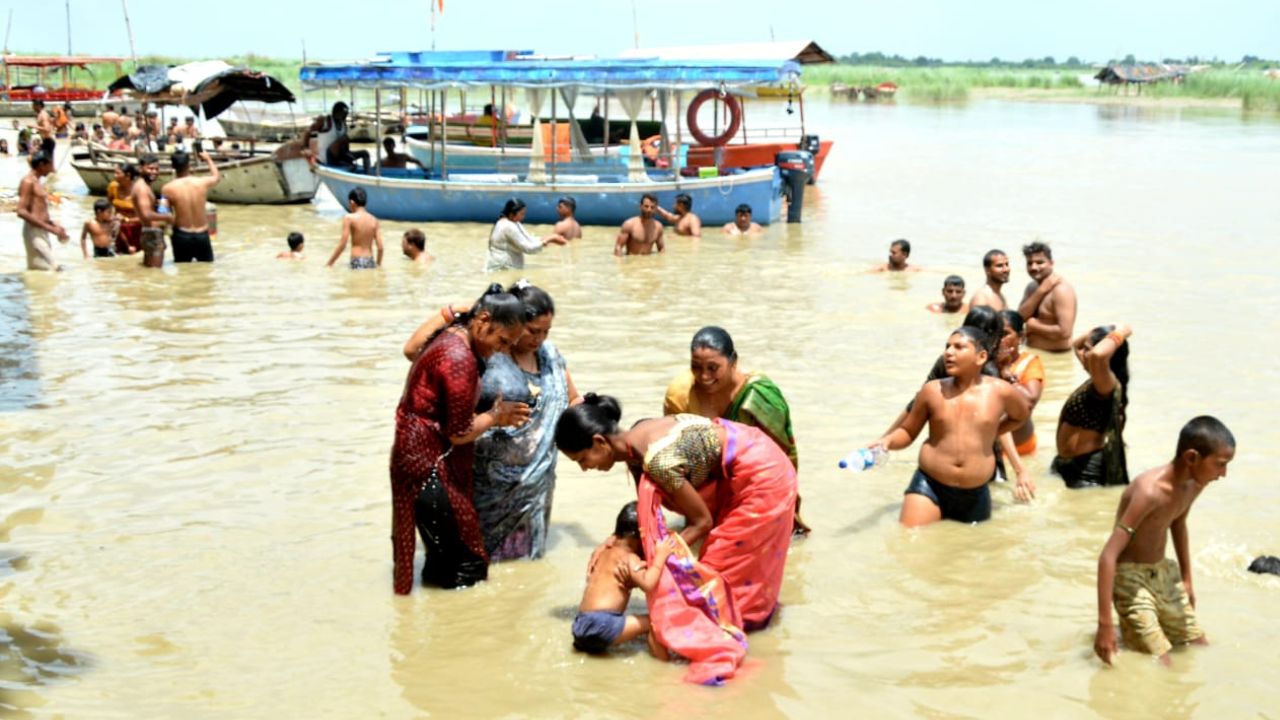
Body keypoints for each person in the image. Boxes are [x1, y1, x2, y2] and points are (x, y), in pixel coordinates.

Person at [555, 394, 797, 631]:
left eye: (582, 459)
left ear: (600, 442)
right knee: (719, 573)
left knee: (714, 578)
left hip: (762, 473)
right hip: (743, 459)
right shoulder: (635, 440)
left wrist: (659, 560)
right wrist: (615, 543)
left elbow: (702, 522)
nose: (585, 469)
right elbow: (646, 515)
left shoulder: (657, 459)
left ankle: (737, 640)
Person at [402, 283, 583, 559]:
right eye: (533, 330)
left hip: (536, 485)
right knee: (479, 561)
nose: (540, 339)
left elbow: (572, 399)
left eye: (546, 331)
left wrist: (591, 420)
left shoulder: (550, 357)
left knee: (525, 567)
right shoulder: (484, 353)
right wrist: (453, 312)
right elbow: (414, 350)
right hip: (485, 487)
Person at [389, 285, 530, 593]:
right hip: (429, 467)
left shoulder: (451, 335)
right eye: (502, 340)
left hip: (414, 458)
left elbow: (413, 350)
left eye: (511, 344)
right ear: (481, 320)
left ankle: (425, 630)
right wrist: (497, 415)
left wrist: (452, 311)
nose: (503, 349)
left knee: (442, 561)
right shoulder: (459, 358)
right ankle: (460, 633)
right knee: (469, 563)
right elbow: (460, 431)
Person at [1094, 416, 1236, 666]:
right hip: (1130, 579)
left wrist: (1187, 580)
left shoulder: (1195, 484)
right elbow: (1108, 556)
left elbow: (1178, 524)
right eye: (1220, 464)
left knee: (1198, 644)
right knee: (1161, 660)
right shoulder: (1149, 492)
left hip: (1164, 573)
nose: (1223, 474)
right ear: (1191, 457)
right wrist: (1104, 625)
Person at [870, 327, 1031, 527]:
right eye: (947, 347)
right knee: (910, 543)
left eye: (959, 347)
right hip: (930, 485)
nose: (948, 352)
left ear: (981, 357)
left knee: (971, 553)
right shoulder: (932, 391)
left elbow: (1021, 415)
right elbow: (908, 432)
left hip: (975, 492)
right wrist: (888, 441)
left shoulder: (1001, 392)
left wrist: (993, 432)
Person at [663, 326, 809, 534]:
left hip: (755, 484)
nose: (704, 376)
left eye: (713, 368)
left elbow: (779, 458)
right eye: (696, 367)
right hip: (706, 488)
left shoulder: (758, 395)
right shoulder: (679, 394)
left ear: (733, 361)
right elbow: (675, 451)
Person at [572, 502, 677, 654]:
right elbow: (648, 583)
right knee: (654, 621)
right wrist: (660, 556)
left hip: (581, 624)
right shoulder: (629, 558)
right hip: (603, 625)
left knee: (635, 628)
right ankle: (664, 663)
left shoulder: (602, 552)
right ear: (640, 537)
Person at [1052, 324, 1132, 489]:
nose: (1082, 353)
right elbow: (1076, 344)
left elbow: (1097, 355)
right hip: (1066, 465)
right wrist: (1098, 332)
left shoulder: (1106, 385)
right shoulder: (1097, 380)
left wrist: (1121, 333)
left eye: (1087, 349)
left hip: (1086, 473)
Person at [996, 310, 1045, 457]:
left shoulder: (1029, 363)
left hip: (1022, 450)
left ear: (1021, 337)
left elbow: (1030, 400)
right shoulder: (982, 360)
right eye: (995, 333)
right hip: (988, 449)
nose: (999, 340)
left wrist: (1004, 370)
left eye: (1005, 334)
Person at [161, 150, 220, 263]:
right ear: (189, 165)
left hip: (182, 234)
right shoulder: (202, 182)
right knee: (206, 272)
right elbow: (216, 177)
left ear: (173, 166)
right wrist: (208, 159)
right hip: (202, 234)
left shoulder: (167, 188)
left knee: (182, 271)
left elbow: (163, 212)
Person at [1018, 242, 1077, 352]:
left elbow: (1065, 332)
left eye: (1040, 262)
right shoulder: (1031, 287)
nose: (1034, 267)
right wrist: (1041, 291)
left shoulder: (1061, 290)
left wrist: (1033, 326)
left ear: (1051, 263)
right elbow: (1019, 319)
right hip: (1032, 352)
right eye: (1029, 263)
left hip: (1055, 359)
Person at [16, 152, 70, 271]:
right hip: (33, 231)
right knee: (55, 269)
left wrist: (54, 225)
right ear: (41, 165)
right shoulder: (28, 182)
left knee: (40, 270)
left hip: (42, 230)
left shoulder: (37, 182)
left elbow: (38, 210)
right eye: (49, 165)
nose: (51, 169)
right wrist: (50, 228)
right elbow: (21, 211)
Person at [486, 199, 565, 271]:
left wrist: (548, 238)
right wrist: (548, 240)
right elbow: (528, 248)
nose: (523, 216)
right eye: (522, 214)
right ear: (511, 214)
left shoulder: (514, 223)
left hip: (506, 267)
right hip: (502, 269)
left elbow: (528, 239)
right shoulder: (508, 226)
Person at [130, 154, 173, 268]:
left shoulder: (143, 186)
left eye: (157, 169)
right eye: (150, 168)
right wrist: (168, 217)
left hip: (149, 232)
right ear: (141, 168)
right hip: (153, 235)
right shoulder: (142, 188)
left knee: (149, 272)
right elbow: (146, 214)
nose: (154, 172)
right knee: (155, 273)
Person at [326, 187, 384, 269]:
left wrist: (329, 263)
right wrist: (378, 265)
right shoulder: (374, 220)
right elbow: (380, 248)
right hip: (370, 261)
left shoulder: (349, 218)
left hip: (356, 261)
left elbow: (342, 245)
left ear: (352, 202)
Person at [304, 101, 370, 172]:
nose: (346, 115)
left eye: (346, 113)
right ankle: (343, 164)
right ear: (337, 112)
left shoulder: (344, 125)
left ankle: (367, 173)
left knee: (365, 153)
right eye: (344, 113)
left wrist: (349, 156)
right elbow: (308, 131)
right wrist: (305, 147)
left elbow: (346, 146)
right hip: (326, 158)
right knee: (342, 139)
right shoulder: (326, 121)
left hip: (340, 156)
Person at [107, 164, 142, 255]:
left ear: (128, 176)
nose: (114, 176)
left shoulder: (138, 190)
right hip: (118, 229)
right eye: (114, 173)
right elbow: (108, 206)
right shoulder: (113, 187)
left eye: (118, 173)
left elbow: (145, 217)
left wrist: (127, 219)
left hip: (136, 229)